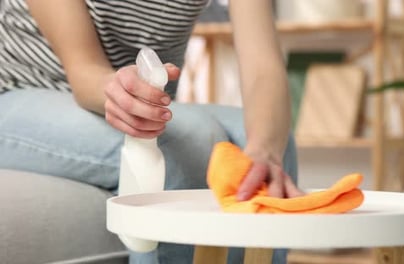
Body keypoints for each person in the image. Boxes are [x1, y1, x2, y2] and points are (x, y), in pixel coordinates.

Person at [0, 0, 302, 263]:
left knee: (268, 139)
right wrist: (121, 92)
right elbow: (84, 71)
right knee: (184, 140)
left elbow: (263, 67)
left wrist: (264, 148)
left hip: (137, 97)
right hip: (19, 95)